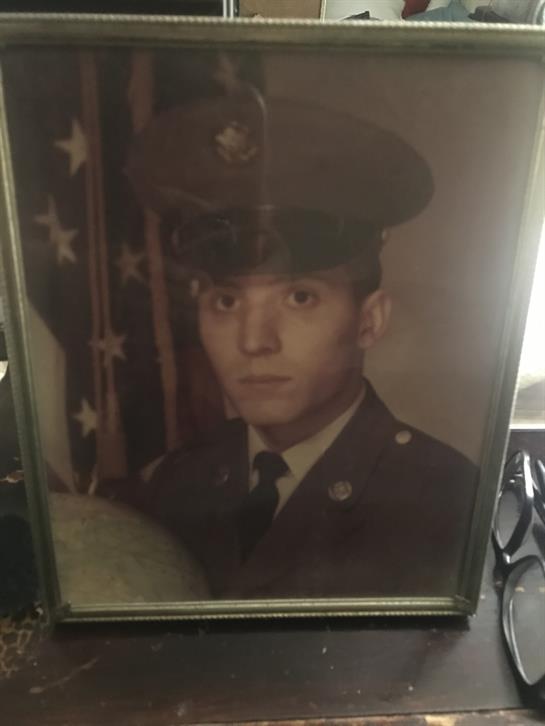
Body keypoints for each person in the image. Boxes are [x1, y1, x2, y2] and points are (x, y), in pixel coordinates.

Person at [115, 87, 478, 600]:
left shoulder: (447, 500)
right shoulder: (172, 483)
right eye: (226, 301)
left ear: (369, 321)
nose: (254, 341)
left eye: (300, 297)